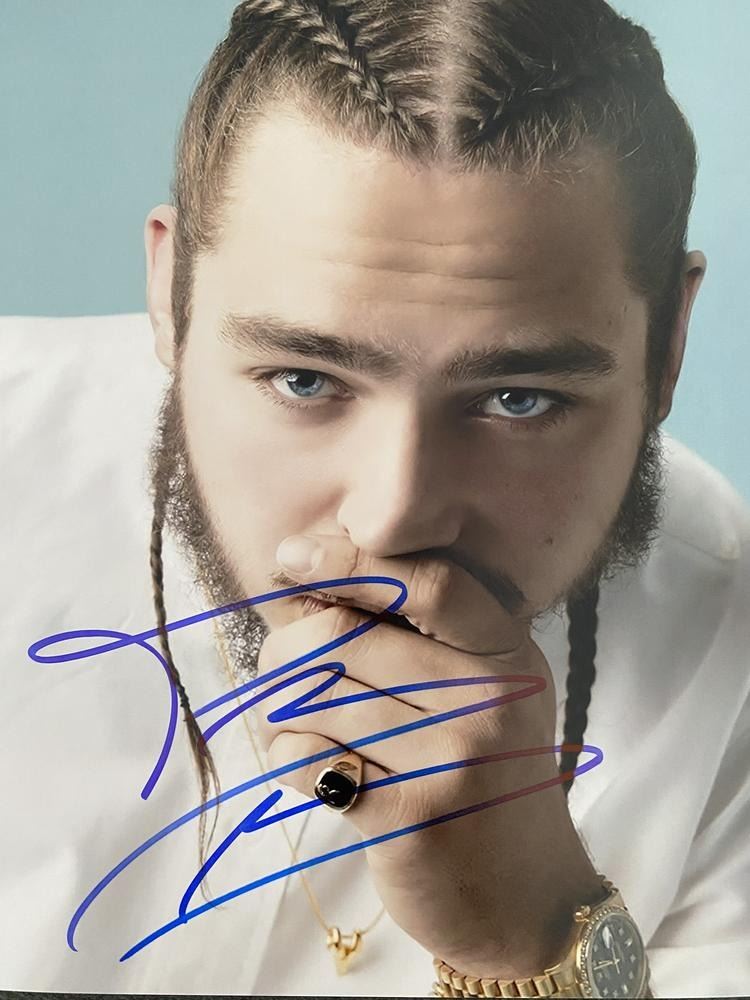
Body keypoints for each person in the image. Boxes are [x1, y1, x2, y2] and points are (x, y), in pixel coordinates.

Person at [2, 0, 749, 997]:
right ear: (169, 291)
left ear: (669, 348)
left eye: (519, 399)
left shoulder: (730, 661)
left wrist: (532, 942)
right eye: (304, 379)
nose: (392, 515)